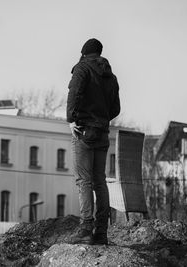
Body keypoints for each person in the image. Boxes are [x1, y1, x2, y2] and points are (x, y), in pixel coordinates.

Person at [67, 38, 120, 245]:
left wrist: (71, 119)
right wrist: (101, 119)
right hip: (102, 132)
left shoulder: (82, 69)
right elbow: (115, 108)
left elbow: (74, 94)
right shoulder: (111, 75)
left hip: (83, 131)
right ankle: (102, 232)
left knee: (84, 180)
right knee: (100, 181)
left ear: (83, 53)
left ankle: (86, 229)